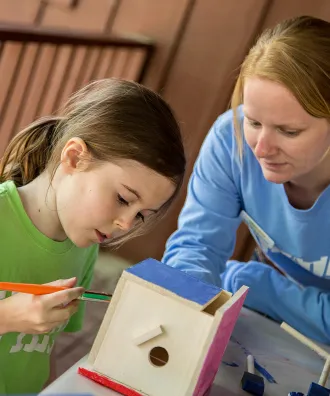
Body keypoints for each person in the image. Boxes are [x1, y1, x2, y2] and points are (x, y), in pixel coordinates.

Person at [0, 78, 185, 394]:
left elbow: (45, 352)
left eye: (141, 215)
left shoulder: (84, 246)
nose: (126, 224)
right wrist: (8, 317)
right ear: (74, 158)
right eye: (124, 199)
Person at [162, 15, 330, 344]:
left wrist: (256, 283)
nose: (262, 148)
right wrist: (180, 311)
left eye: (289, 131)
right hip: (266, 316)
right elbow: (197, 246)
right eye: (254, 121)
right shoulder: (231, 136)